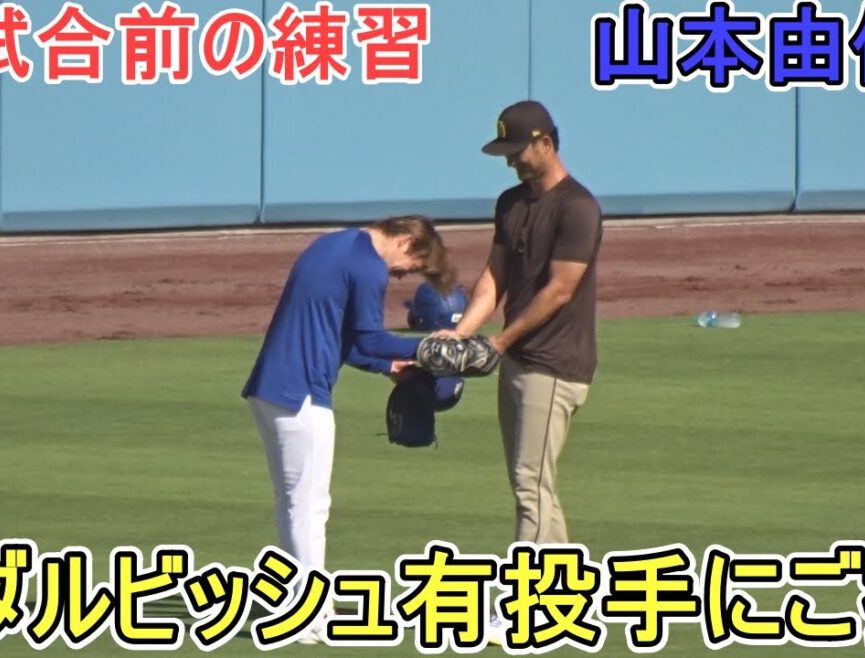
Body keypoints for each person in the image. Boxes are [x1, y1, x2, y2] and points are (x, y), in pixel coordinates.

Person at [241, 215, 455, 644]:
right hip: (300, 394)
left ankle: (296, 602)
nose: (399, 276)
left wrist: (386, 366)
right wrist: (436, 345)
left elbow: (351, 341)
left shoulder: (334, 245)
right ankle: (310, 614)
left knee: (293, 502)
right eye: (409, 268)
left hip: (269, 389)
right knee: (309, 505)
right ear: (407, 240)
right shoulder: (369, 264)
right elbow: (371, 337)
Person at [436, 100, 604, 645]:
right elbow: (494, 276)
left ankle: (521, 607)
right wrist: (461, 334)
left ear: (546, 143)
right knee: (536, 486)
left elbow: (561, 288)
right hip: (519, 362)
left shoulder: (579, 208)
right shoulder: (511, 203)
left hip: (555, 364)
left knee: (529, 488)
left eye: (518, 151)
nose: (511, 163)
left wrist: (500, 341)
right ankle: (571, 597)